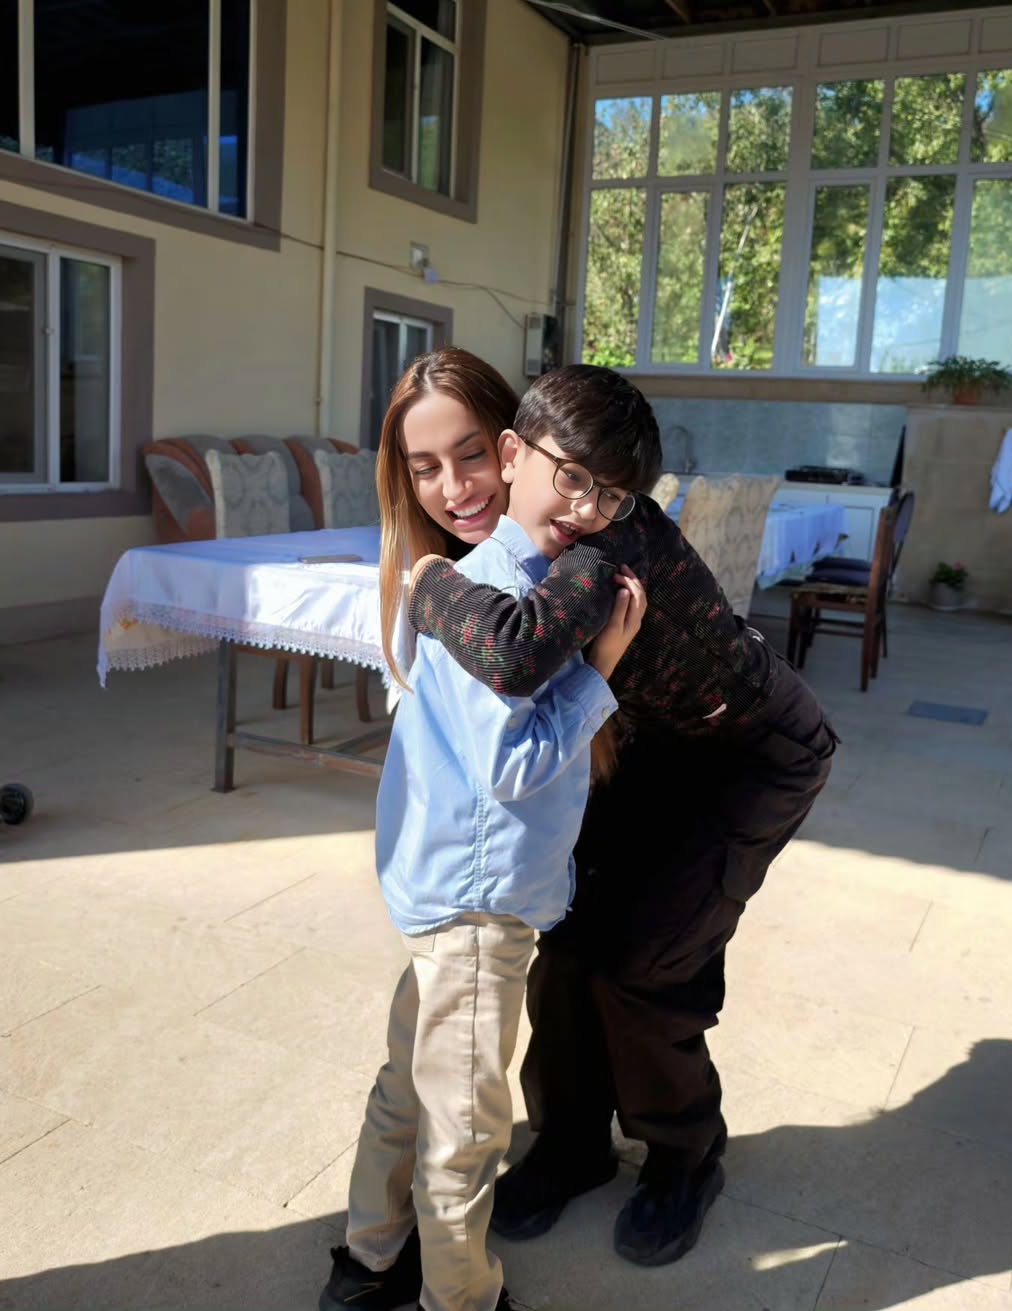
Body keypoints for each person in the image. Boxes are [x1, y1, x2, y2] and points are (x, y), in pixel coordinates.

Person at [408, 373, 839, 1269]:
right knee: (569, 941)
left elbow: (514, 653)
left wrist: (427, 581)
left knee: (649, 963)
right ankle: (571, 1141)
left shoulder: (602, 553)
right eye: (573, 477)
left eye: (611, 492)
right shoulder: (541, 531)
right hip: (660, 740)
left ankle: (685, 1152)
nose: (586, 507)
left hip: (755, 755)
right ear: (517, 452)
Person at [319, 351, 660, 1311]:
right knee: (465, 1126)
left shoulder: (503, 580)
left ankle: (371, 1256)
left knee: (410, 1082)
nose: (455, 485)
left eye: (467, 454)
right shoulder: (493, 603)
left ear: (506, 448)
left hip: (446, 894)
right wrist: (601, 669)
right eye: (426, 466)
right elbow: (512, 766)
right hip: (475, 906)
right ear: (530, 454)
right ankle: (460, 1295)